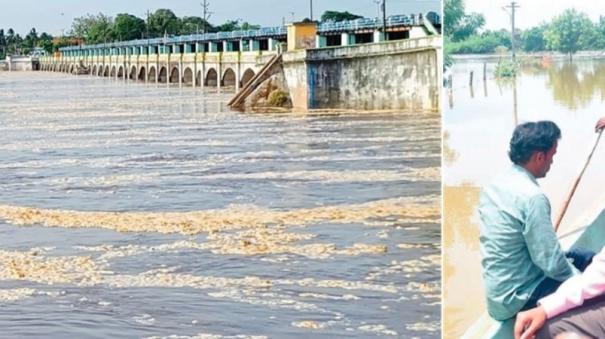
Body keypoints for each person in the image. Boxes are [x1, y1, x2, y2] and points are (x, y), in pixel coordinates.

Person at [478, 121, 593, 322]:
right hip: (520, 298)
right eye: (552, 155)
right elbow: (552, 264)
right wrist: (582, 285)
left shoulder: (495, 184)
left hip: (497, 295)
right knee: (594, 291)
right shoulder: (533, 198)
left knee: (583, 256)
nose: (552, 162)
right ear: (540, 157)